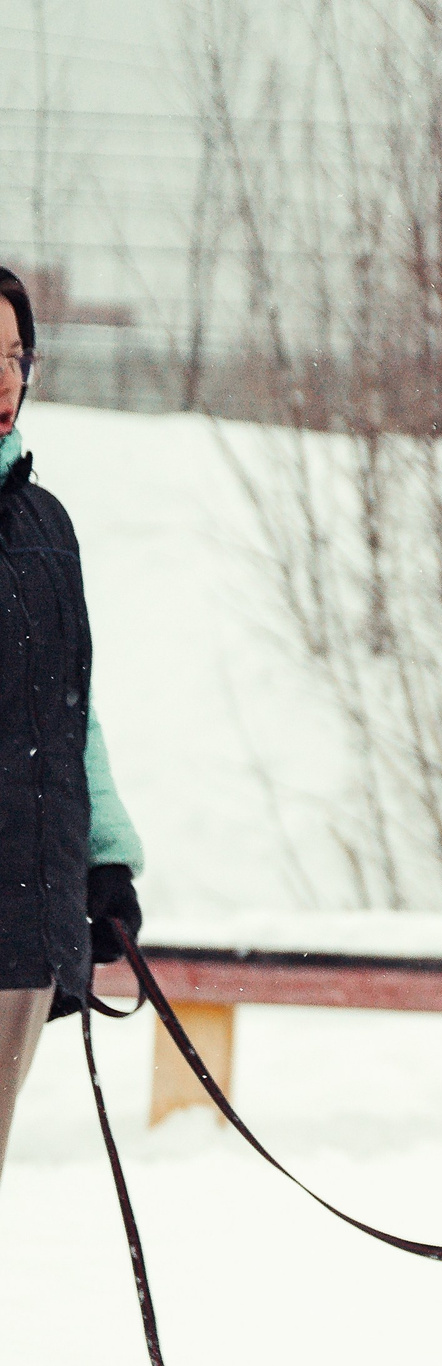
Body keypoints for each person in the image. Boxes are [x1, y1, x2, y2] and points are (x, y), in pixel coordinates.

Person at [0, 264, 146, 1189]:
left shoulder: (43, 524)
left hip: (19, 922)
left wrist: (101, 858)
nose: (4, 377)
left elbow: (70, 708)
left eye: (16, 356)